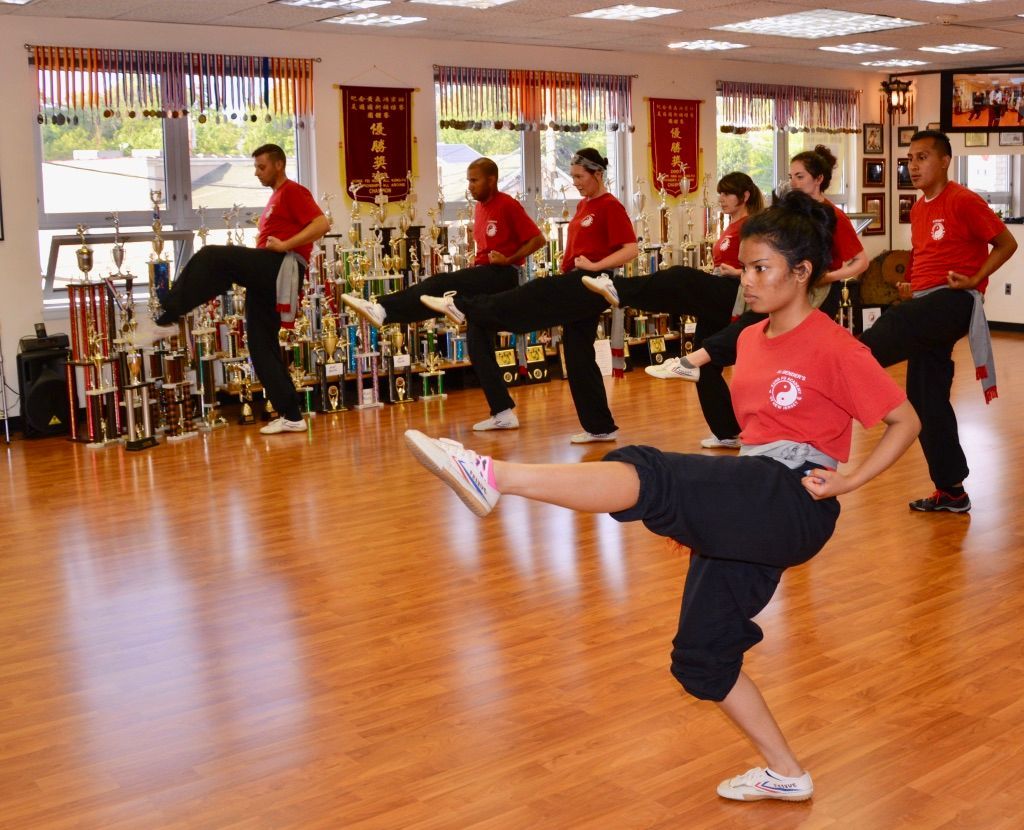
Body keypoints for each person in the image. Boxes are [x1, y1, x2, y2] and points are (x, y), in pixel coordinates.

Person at [404, 191, 920, 803]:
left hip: (792, 496)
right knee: (700, 658)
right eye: (744, 266)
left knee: (651, 470)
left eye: (760, 269)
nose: (745, 279)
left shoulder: (836, 346)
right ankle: (787, 772)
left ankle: (492, 477)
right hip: (751, 493)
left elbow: (905, 420)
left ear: (802, 273)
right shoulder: (750, 337)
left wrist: (848, 480)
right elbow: (730, 392)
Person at [420, 148, 638, 443]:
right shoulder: (584, 206)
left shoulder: (610, 206)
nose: (574, 182)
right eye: (572, 176)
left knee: (534, 294)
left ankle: (461, 307)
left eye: (579, 176)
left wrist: (597, 266)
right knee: (578, 357)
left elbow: (630, 249)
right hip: (578, 281)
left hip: (591, 282)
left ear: (597, 174)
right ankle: (601, 427)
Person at [859, 130, 1017, 512]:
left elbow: (1007, 243)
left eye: (922, 157)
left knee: (893, 326)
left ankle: (849, 360)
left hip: (957, 300)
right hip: (929, 302)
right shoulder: (917, 208)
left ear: (945, 160)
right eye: (910, 159)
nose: (913, 166)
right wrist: (912, 284)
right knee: (926, 399)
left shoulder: (963, 200)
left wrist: (976, 278)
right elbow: (925, 254)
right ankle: (952, 490)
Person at [134, 143, 331, 435]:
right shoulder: (276, 198)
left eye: (261, 167)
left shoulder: (293, 191)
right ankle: (292, 415)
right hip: (270, 271)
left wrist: (286, 245)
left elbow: (322, 223)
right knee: (260, 346)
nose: (256, 173)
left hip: (279, 265)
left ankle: (168, 317)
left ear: (278, 165)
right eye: (255, 167)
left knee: (212, 257)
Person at [341, 157, 544, 431]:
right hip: (485, 277)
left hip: (501, 278)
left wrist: (509, 259)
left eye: (475, 180)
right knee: (478, 348)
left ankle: (384, 309)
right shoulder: (481, 209)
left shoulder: (507, 204)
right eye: (468, 180)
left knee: (439, 285)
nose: (470, 186)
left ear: (491, 180)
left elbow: (538, 239)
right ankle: (504, 411)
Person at [651, 144, 868, 384]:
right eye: (791, 177)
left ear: (819, 179)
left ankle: (694, 361)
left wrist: (827, 277)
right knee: (757, 330)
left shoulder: (834, 217)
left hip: (819, 291)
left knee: (777, 339)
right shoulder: (793, 216)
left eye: (800, 176)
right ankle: (697, 362)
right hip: (792, 285)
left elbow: (861, 262)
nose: (794, 182)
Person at [581, 172, 763, 449]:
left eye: (727, 194)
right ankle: (728, 433)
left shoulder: (753, 225)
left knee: (678, 277)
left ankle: (619, 290)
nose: (721, 199)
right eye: (720, 194)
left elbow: (764, 265)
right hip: (720, 293)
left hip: (734, 294)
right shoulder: (731, 227)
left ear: (745, 196)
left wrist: (737, 271)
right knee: (704, 366)